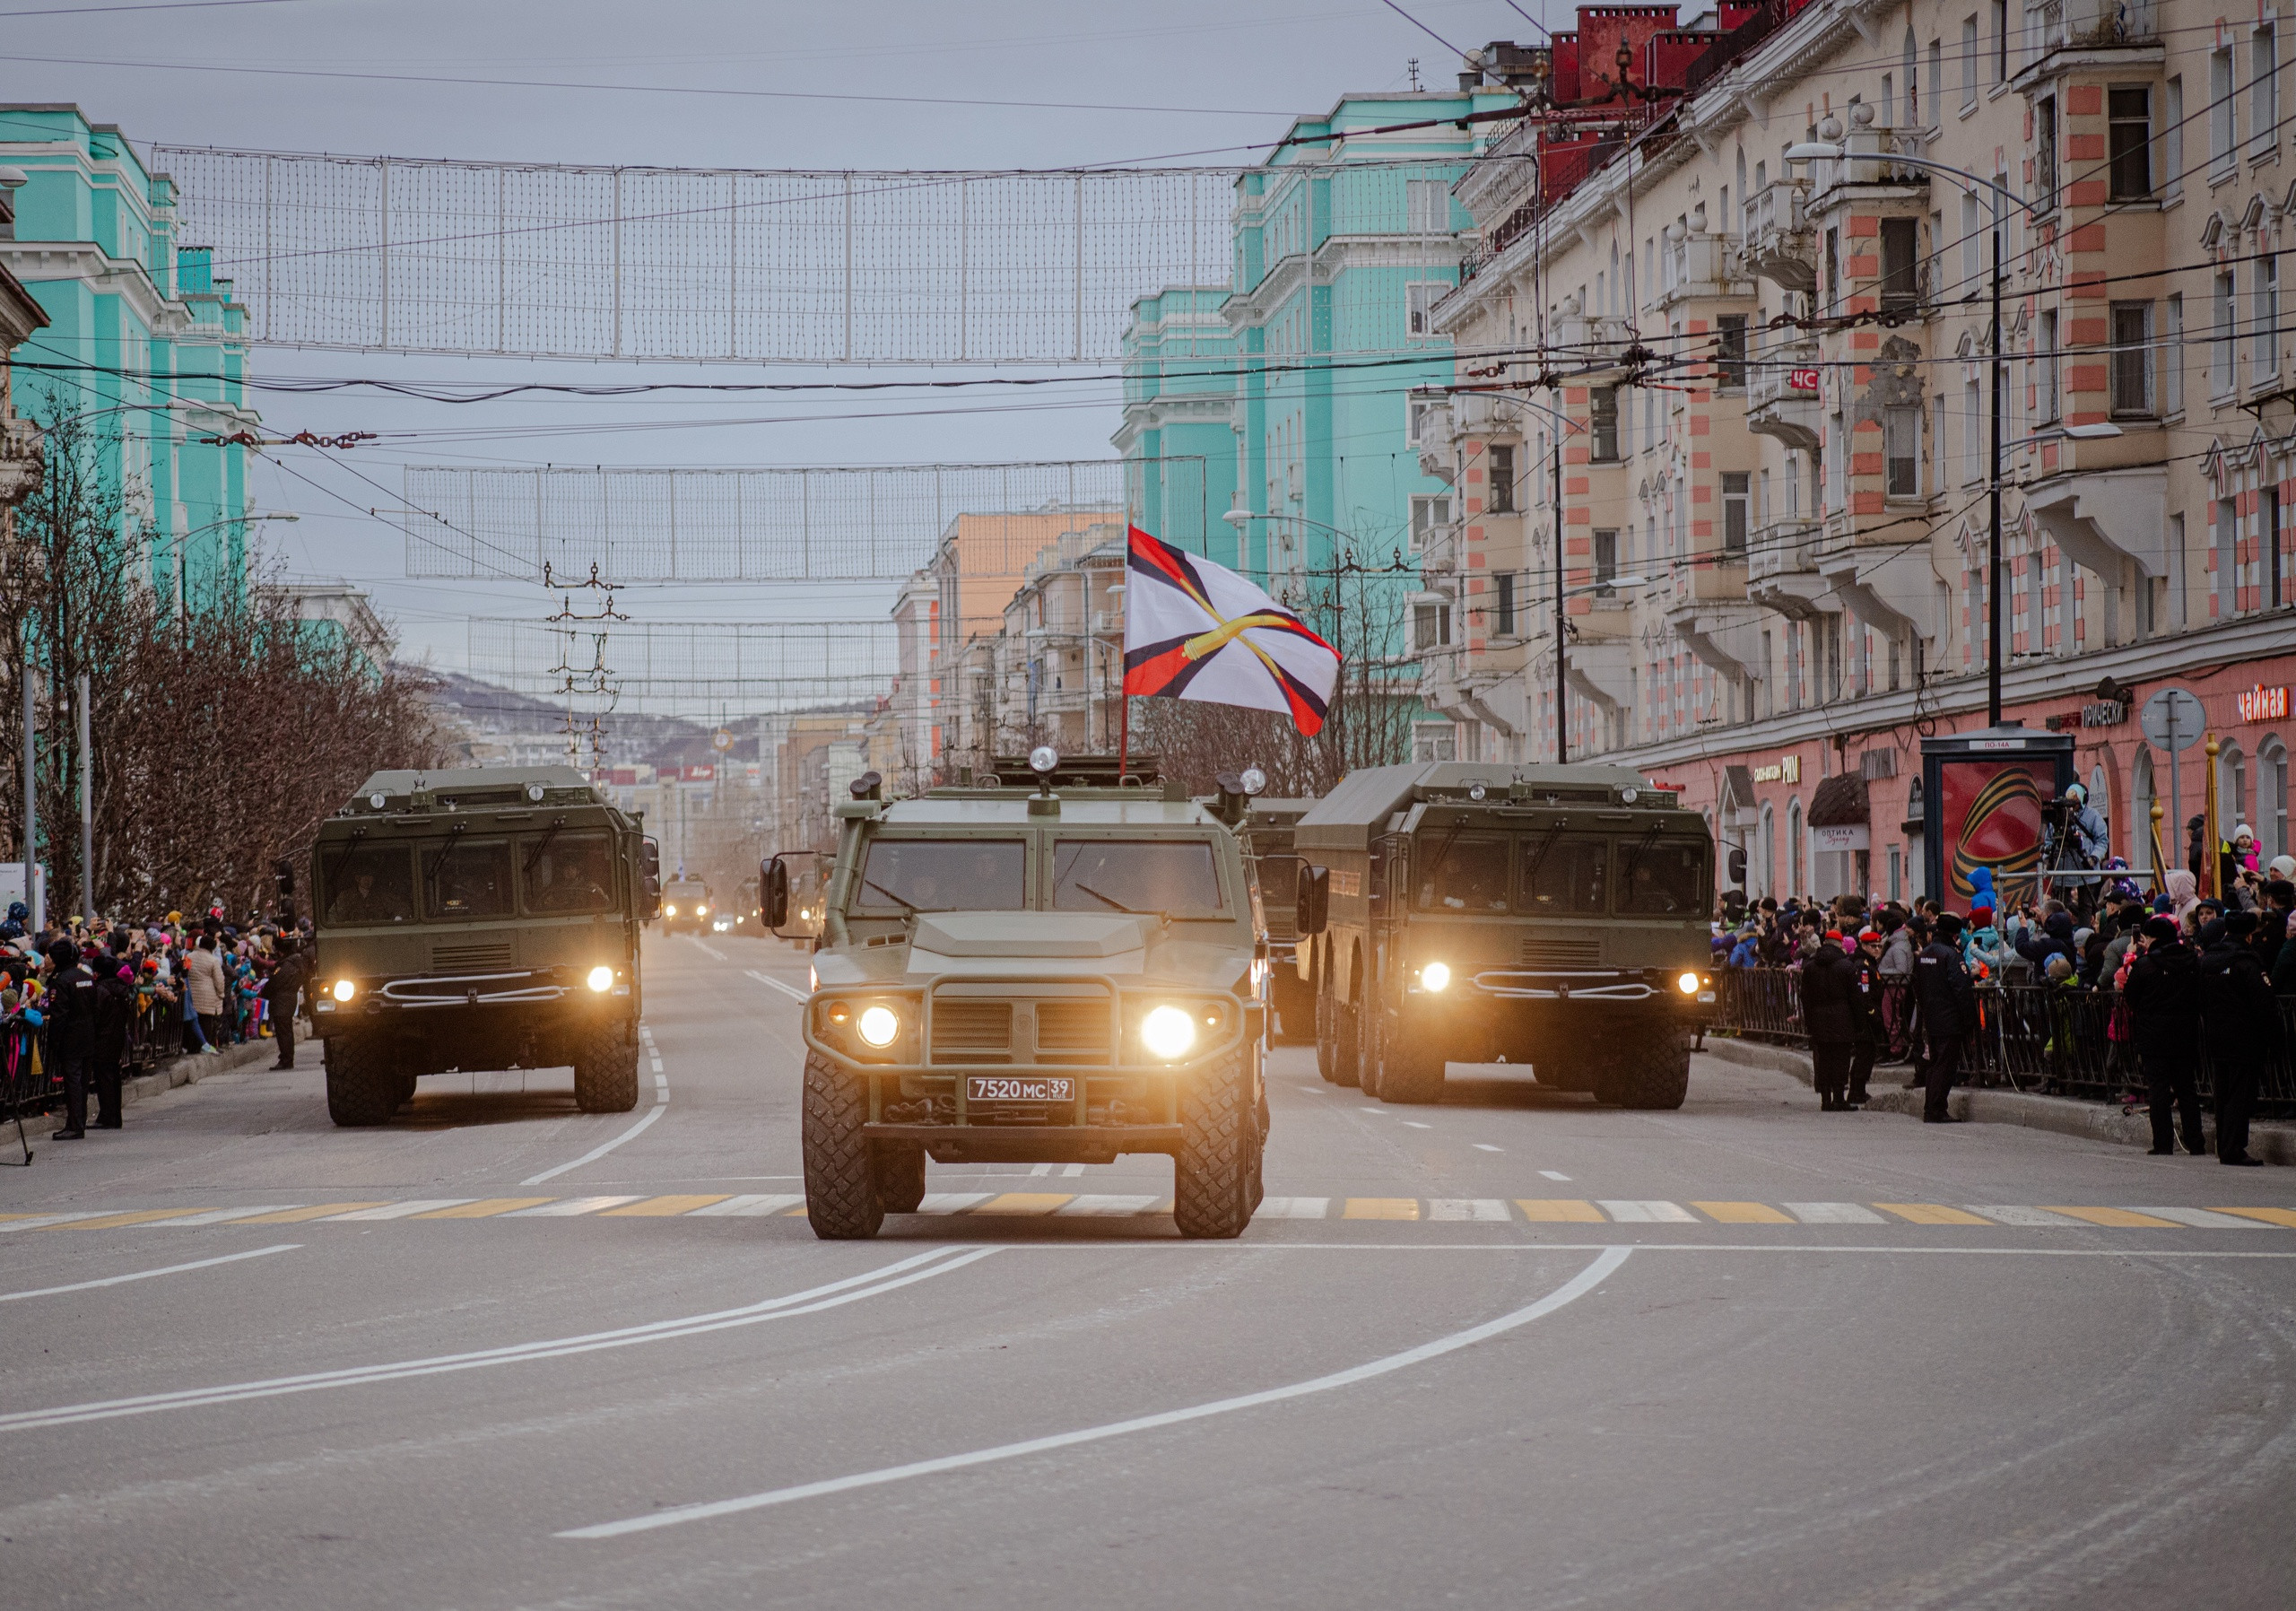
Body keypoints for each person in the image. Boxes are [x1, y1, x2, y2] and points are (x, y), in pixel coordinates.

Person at [2198, 910, 2282, 1166]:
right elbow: (2263, 1003)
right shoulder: (2247, 962)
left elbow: (2199, 998)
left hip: (2216, 1034)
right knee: (2240, 1094)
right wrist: (2274, 1038)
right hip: (2244, 1037)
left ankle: (2223, 1144)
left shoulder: (2209, 960)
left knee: (2222, 1091)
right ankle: (2233, 1147)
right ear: (2248, 935)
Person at [2122, 916, 2205, 1155]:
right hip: (2185, 1033)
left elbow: (2131, 998)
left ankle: (2163, 1143)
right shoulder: (2192, 961)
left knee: (2158, 1090)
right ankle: (2195, 1141)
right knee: (2186, 1089)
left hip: (2154, 1036)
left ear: (2153, 938)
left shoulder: (2145, 965)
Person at [1910, 911, 1976, 1124]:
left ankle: (1932, 1106)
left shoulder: (1926, 953)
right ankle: (1936, 1108)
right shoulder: (1951, 955)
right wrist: (1969, 1020)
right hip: (1950, 1018)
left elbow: (1916, 986)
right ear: (1955, 933)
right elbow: (1962, 990)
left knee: (1935, 1063)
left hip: (1931, 1016)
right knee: (1945, 1065)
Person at [1799, 929, 1860, 1110]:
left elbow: (1805, 997)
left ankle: (1825, 1099)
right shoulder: (1846, 967)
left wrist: (1809, 1021)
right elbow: (1855, 997)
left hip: (1818, 1017)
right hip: (1843, 1018)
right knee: (1841, 1058)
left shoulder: (1810, 966)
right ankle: (1839, 1098)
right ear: (1840, 945)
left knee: (1823, 1059)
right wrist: (1859, 1022)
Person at [43, 937, 98, 1140]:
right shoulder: (87, 978)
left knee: (73, 1082)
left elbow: (59, 1016)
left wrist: (54, 1042)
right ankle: (79, 1121)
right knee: (82, 1082)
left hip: (71, 1039)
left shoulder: (62, 981)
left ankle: (75, 1125)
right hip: (88, 1036)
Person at [1846, 927, 1884, 1106]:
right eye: (1873, 946)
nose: (1877, 949)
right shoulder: (1862, 965)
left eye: (1879, 946)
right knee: (1864, 1055)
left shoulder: (1869, 963)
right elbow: (1864, 993)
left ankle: (1857, 1090)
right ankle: (1856, 1091)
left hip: (1866, 1015)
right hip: (1864, 1018)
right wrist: (1872, 1013)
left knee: (1866, 1055)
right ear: (1863, 946)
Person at [262, 935, 310, 1070]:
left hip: (281, 1000)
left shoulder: (287, 965)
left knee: (283, 1032)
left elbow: (275, 982)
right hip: (289, 999)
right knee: (287, 1031)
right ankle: (287, 1058)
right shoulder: (298, 965)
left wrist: (265, 992)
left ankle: (286, 1059)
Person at [185, 931, 228, 1053]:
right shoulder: (213, 960)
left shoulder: (189, 957)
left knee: (193, 1020)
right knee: (205, 1021)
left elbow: (185, 972)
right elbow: (219, 980)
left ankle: (191, 1047)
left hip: (191, 992)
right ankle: (204, 1045)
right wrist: (221, 994)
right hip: (207, 994)